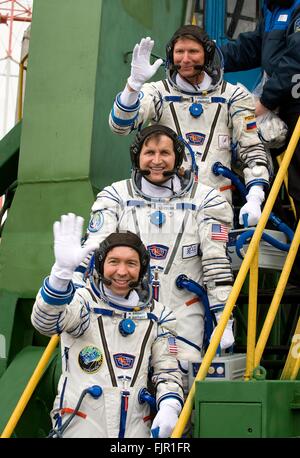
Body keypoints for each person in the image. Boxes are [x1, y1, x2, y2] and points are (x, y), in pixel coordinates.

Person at [74, 125, 235, 386]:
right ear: (137, 155)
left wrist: (223, 319)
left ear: (178, 156)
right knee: (121, 382)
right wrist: (72, 289)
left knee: (182, 379)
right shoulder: (116, 196)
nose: (157, 161)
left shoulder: (207, 200)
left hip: (183, 313)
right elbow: (94, 251)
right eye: (149, 152)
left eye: (165, 153)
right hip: (123, 309)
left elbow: (216, 263)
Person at [31, 213, 184, 438]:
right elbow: (45, 322)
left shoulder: (158, 316)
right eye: (114, 262)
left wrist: (170, 405)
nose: (122, 272)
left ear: (142, 270)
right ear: (101, 265)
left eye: (131, 263)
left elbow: (167, 372)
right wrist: (61, 276)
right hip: (80, 425)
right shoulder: (83, 303)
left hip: (134, 428)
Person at [109, 25, 271, 227]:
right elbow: (119, 126)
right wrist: (133, 85)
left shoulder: (233, 97)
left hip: (216, 209)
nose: (185, 59)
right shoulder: (158, 93)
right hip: (163, 207)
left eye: (193, 51)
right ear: (171, 55)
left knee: (216, 259)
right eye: (179, 52)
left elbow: (252, 149)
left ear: (208, 55)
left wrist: (255, 198)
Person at [221, 0, 300, 220]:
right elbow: (253, 47)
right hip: (283, 104)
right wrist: (208, 56)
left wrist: (265, 101)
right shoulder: (272, 8)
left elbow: (296, 60)